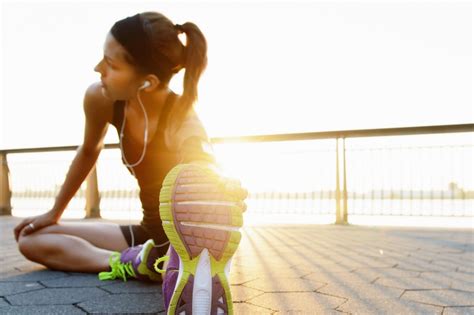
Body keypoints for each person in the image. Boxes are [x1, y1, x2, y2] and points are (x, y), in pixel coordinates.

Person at [14, 11, 246, 314]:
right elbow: (88, 151)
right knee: (31, 238)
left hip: (182, 241)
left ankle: (180, 265)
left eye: (111, 65)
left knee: (189, 229)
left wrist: (222, 192)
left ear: (147, 83)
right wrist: (53, 213)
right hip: (146, 232)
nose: (98, 69)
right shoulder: (101, 98)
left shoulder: (183, 118)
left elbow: (203, 168)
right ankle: (138, 261)